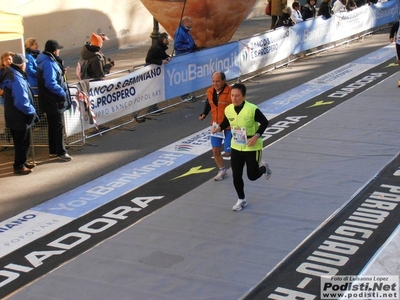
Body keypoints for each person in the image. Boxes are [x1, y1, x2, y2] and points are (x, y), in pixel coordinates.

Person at [211, 83, 272, 211]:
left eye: (237, 96)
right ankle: (241, 199)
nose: (234, 98)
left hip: (252, 146)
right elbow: (227, 121)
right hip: (237, 145)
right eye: (232, 95)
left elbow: (265, 122)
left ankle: (264, 168)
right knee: (236, 174)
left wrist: (256, 136)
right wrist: (219, 128)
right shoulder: (228, 109)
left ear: (244, 96)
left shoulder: (252, 109)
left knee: (252, 176)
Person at [0, 53, 38, 175]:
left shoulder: (10, 74)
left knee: (21, 141)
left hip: (13, 114)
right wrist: (31, 111)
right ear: (22, 65)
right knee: (22, 141)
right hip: (19, 115)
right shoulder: (16, 77)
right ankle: (19, 165)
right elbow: (21, 101)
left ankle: (23, 161)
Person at [37, 39, 72, 161]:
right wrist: (61, 93)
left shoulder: (46, 61)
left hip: (48, 99)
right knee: (57, 126)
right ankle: (61, 151)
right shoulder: (49, 63)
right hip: (53, 99)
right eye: (58, 49)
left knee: (53, 125)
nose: (59, 51)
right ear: (54, 50)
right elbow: (50, 82)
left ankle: (53, 150)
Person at [199, 71, 232, 181]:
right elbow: (209, 103)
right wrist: (204, 113)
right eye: (213, 81)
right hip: (215, 125)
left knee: (228, 152)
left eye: (218, 81)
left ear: (224, 80)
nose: (215, 84)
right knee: (215, 150)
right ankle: (222, 170)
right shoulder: (209, 91)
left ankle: (245, 163)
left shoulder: (231, 92)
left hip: (228, 126)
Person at [145, 32, 171, 115]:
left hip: (157, 71)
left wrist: (167, 57)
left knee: (157, 88)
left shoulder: (160, 47)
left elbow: (162, 54)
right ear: (164, 40)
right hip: (152, 71)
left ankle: (154, 107)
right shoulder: (156, 47)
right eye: (168, 39)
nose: (169, 41)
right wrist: (161, 61)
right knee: (153, 88)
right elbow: (149, 59)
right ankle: (151, 109)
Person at [174, 16, 198, 102]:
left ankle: (187, 94)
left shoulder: (185, 31)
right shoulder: (180, 32)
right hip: (183, 58)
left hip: (188, 57)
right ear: (185, 23)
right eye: (190, 23)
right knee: (185, 77)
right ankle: (184, 96)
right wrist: (189, 47)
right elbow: (177, 46)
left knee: (189, 76)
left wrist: (193, 46)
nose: (192, 25)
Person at [389, 20, 400, 86]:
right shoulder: (397, 24)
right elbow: (392, 30)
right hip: (399, 43)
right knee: (399, 60)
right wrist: (391, 37)